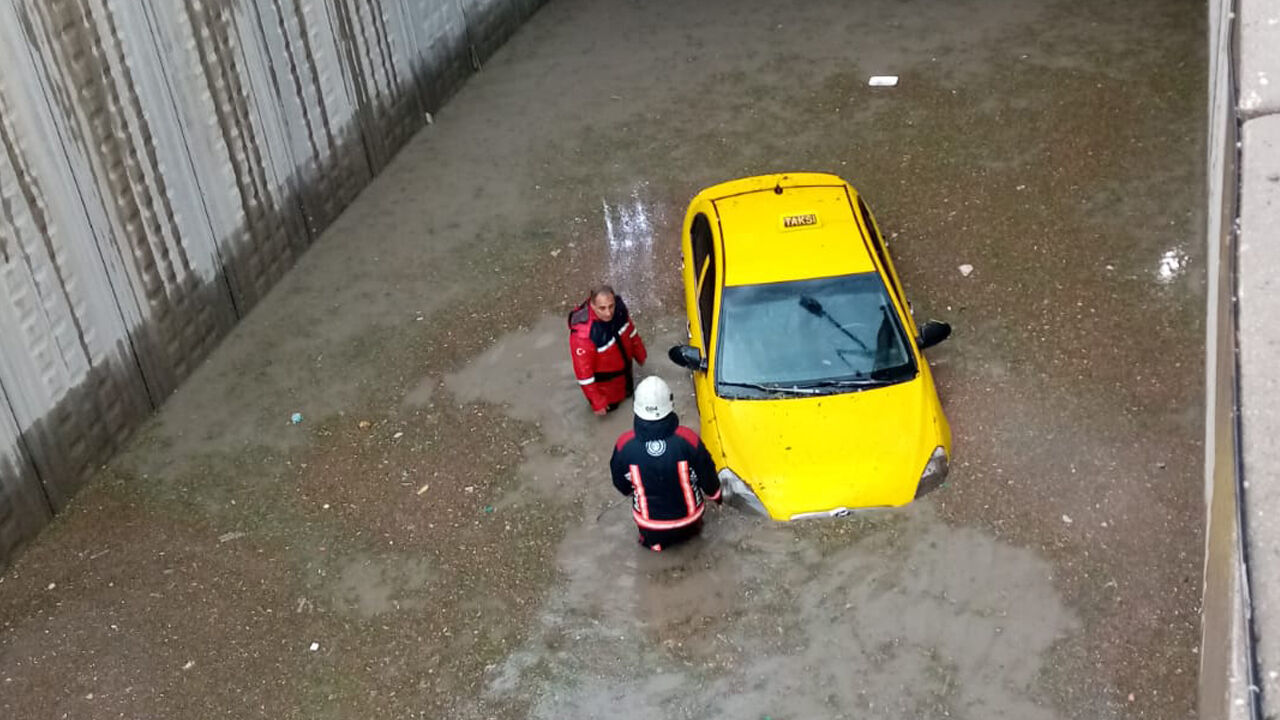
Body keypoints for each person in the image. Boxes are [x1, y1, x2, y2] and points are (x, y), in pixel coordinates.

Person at [609, 376, 721, 551]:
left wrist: (634, 491)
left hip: (651, 526)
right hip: (690, 519)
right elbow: (707, 476)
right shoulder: (687, 439)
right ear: (670, 403)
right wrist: (717, 496)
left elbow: (620, 483)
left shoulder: (624, 445)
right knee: (695, 547)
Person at [568, 285, 648, 416]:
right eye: (602, 308)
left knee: (629, 396)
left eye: (611, 306)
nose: (608, 313)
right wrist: (597, 403)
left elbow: (631, 332)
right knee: (614, 412)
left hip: (625, 375)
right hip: (607, 390)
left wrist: (640, 353)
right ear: (592, 305)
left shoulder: (619, 311)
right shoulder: (583, 335)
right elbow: (584, 375)